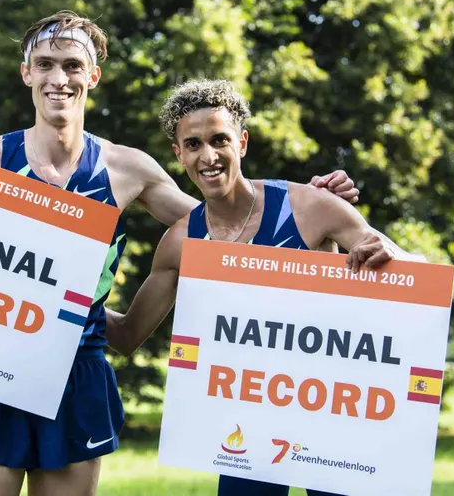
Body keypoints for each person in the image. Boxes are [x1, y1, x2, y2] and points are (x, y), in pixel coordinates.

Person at [0, 11, 360, 496]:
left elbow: (226, 233)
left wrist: (311, 207)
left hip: (78, 372)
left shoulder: (129, 168)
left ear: (92, 76)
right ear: (26, 73)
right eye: (44, 64)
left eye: (71, 65)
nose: (58, 78)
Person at [104, 78, 425, 496]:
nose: (209, 156)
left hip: (332, 414)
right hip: (249, 424)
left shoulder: (310, 206)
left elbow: (418, 280)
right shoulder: (182, 242)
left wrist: (392, 253)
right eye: (195, 144)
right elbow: (128, 335)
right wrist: (69, 292)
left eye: (220, 139)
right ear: (178, 154)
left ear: (242, 141)